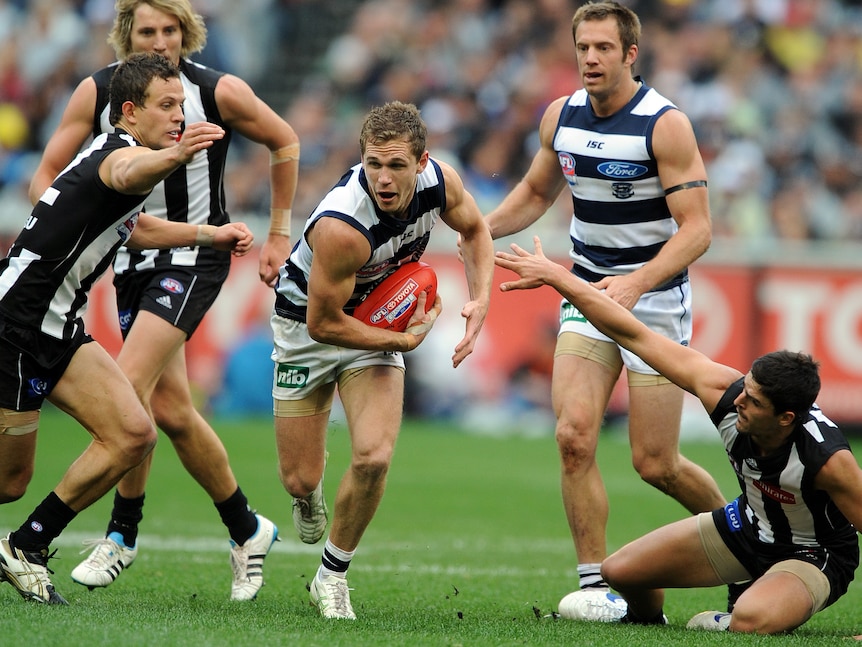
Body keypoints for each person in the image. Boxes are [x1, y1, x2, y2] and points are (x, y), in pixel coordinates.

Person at [28, 0, 298, 600]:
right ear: (126, 35)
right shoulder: (96, 93)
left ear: (186, 34)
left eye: (169, 30)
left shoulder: (216, 90)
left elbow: (284, 140)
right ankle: (246, 527)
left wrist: (279, 231)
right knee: (171, 412)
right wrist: (75, 217)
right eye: (146, 30)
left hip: (195, 256)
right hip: (131, 257)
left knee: (126, 391)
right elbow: (45, 173)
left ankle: (118, 535)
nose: (158, 41)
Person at [481, 0, 726, 618]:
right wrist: (477, 229)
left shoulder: (664, 124)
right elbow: (537, 191)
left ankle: (744, 546)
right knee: (572, 435)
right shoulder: (559, 117)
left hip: (654, 303)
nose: (590, 58)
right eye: (583, 47)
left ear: (630, 54)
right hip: (585, 290)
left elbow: (696, 230)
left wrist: (638, 284)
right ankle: (595, 584)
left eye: (604, 49)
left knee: (656, 463)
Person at [494, 236, 862, 634]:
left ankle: (733, 619)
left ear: (786, 418)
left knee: (753, 620)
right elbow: (633, 334)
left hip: (812, 553)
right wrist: (558, 277)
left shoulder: (827, 460)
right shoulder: (726, 392)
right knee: (619, 571)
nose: (740, 401)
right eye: (746, 388)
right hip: (748, 528)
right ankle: (647, 619)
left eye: (754, 401)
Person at [0, 52, 255, 605]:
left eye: (182, 108)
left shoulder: (118, 154)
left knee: (135, 434)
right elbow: (128, 173)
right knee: (7, 482)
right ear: (129, 112)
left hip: (57, 326)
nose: (178, 117)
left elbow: (132, 228)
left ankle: (25, 547)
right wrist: (178, 155)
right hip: (15, 326)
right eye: (166, 107)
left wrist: (207, 236)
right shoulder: (121, 157)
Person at [271, 100, 493, 619]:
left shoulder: (441, 183)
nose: (384, 178)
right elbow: (323, 325)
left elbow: (476, 231)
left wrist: (480, 300)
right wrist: (400, 343)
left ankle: (331, 574)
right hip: (306, 327)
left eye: (396, 165)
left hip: (375, 321)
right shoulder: (341, 225)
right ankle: (308, 498)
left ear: (422, 162)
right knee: (299, 479)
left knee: (373, 456)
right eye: (373, 164)